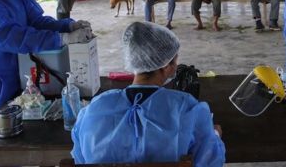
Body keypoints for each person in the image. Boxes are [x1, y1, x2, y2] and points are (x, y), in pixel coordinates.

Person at [71, 21, 225, 165]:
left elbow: (80, 158)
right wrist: (215, 135)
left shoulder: (94, 109)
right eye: (174, 61)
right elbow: (210, 161)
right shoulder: (186, 108)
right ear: (166, 66)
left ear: (132, 60)